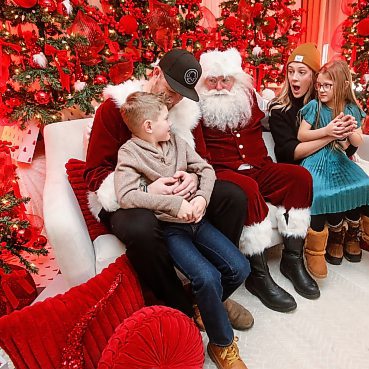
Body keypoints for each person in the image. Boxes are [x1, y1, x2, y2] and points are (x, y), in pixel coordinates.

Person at [84, 49, 254, 330]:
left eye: (181, 94)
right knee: (141, 226)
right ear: (156, 73)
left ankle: (212, 294)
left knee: (233, 196)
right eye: (171, 89)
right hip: (127, 196)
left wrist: (194, 181)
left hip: (176, 189)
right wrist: (147, 188)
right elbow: (94, 172)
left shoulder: (183, 113)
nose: (174, 99)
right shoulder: (115, 109)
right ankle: (180, 305)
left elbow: (201, 162)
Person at [115, 92, 250, 369]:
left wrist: (201, 196)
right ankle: (222, 344)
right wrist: (173, 204)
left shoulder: (176, 140)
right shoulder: (129, 152)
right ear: (148, 126)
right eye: (165, 118)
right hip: (171, 229)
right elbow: (125, 195)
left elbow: (206, 170)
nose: (171, 123)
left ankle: (205, 306)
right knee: (207, 276)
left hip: (198, 221)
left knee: (240, 267)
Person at [192, 48, 319, 313]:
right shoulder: (196, 107)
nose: (219, 86)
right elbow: (199, 157)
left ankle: (292, 259)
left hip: (261, 167)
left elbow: (270, 117)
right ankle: (258, 276)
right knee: (247, 189)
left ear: (236, 80)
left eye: (225, 80)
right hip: (224, 173)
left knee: (299, 177)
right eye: (212, 80)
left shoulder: (246, 96)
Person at [268, 43, 358, 278]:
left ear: (315, 76)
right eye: (290, 71)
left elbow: (348, 146)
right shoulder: (280, 109)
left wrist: (348, 141)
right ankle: (307, 253)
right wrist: (329, 134)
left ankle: (343, 235)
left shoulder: (326, 104)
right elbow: (289, 152)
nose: (294, 78)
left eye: (302, 72)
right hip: (296, 168)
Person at [297, 59, 369, 267]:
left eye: (327, 86)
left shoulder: (351, 109)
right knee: (320, 192)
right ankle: (315, 249)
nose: (321, 90)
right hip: (315, 159)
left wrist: (349, 133)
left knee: (366, 185)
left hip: (339, 157)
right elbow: (302, 135)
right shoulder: (315, 107)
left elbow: (357, 141)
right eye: (319, 85)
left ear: (342, 85)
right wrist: (328, 131)